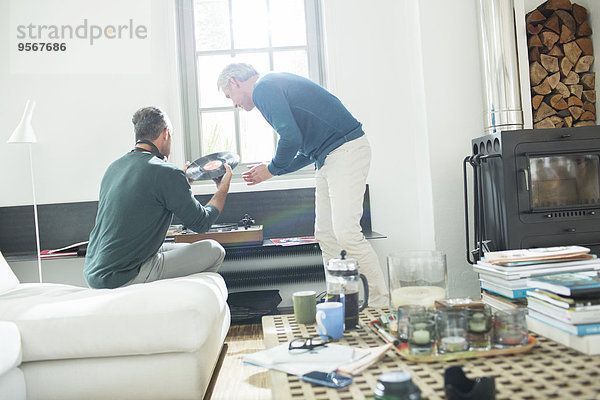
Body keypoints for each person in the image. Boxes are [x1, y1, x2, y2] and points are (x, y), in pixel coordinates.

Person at [217, 63, 388, 306]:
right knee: (326, 234)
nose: (233, 104)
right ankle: (340, 302)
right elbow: (305, 150)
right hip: (326, 156)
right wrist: (273, 170)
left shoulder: (263, 88)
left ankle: (380, 305)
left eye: (229, 96)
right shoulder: (272, 86)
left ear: (234, 82)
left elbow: (291, 138)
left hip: (345, 150)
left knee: (347, 234)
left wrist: (272, 169)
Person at [84, 106, 232, 289]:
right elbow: (201, 223)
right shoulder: (165, 172)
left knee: (172, 248)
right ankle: (183, 301)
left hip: (94, 270)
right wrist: (222, 189)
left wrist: (182, 183)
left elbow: (145, 202)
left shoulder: (114, 167)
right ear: (165, 133)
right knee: (215, 250)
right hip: (122, 275)